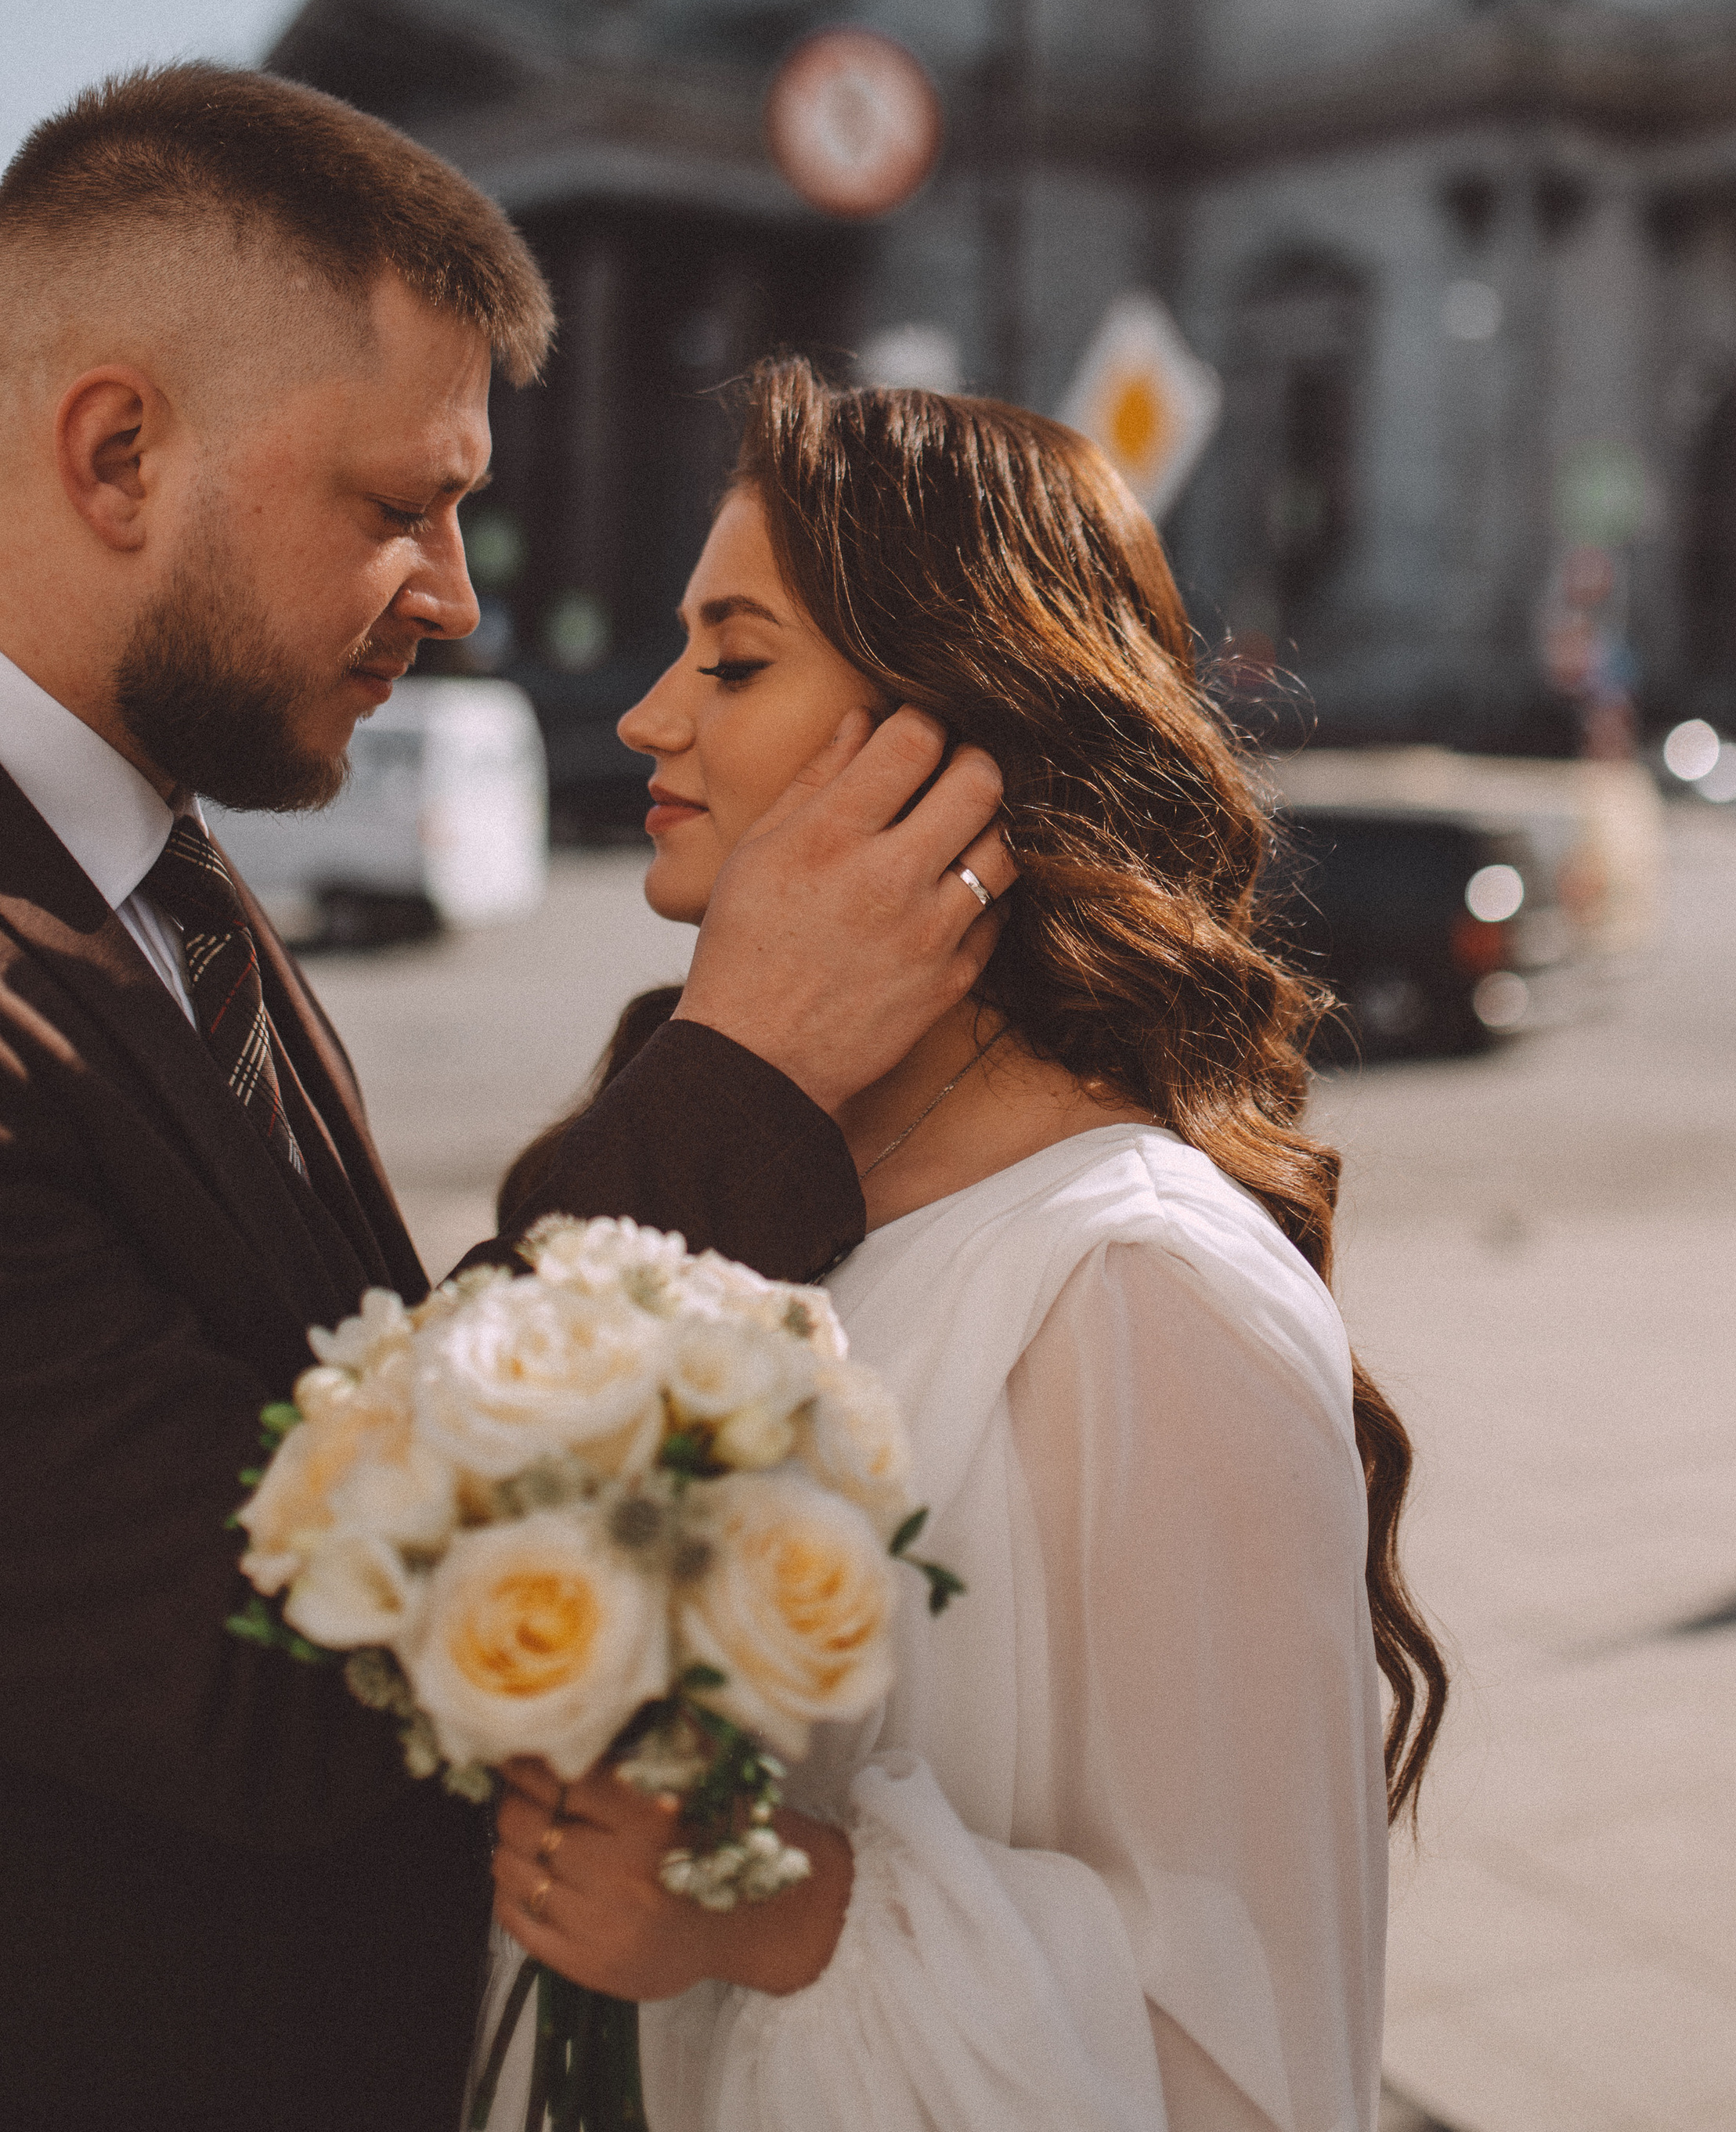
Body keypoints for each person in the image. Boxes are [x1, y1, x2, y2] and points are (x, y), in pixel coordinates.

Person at [0, 70, 1009, 2132]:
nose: (456, 592)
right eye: (395, 504)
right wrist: (743, 1073)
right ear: (116, 451)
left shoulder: (157, 876)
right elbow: (253, 1658)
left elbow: (330, 1393)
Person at [481, 361, 1446, 2132]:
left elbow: (1255, 2065)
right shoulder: (750, 1184)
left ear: (949, 735)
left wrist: (787, 1913)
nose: (644, 717)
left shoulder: (1144, 1292)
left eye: (733, 656)